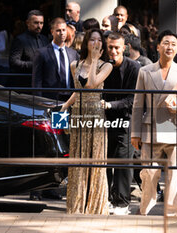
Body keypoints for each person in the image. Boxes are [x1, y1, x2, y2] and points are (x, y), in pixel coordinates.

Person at [131, 30, 177, 216]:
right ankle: (145, 210)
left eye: (173, 44)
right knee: (148, 174)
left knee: (176, 175)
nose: (170, 47)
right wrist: (134, 133)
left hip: (175, 127)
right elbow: (138, 104)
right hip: (150, 128)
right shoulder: (144, 71)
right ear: (158, 46)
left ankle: (174, 213)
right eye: (166, 43)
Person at [60, 28, 113, 215]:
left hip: (95, 113)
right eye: (92, 40)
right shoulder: (75, 64)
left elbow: (91, 84)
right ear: (86, 43)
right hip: (78, 113)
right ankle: (76, 204)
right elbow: (78, 90)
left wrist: (95, 61)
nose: (96, 43)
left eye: (99, 40)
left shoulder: (106, 65)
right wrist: (65, 106)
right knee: (77, 156)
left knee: (95, 158)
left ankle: (95, 206)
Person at [102, 32, 140, 215]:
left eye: (117, 47)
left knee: (123, 162)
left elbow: (132, 99)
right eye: (110, 47)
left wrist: (110, 104)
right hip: (103, 120)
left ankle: (123, 202)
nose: (113, 51)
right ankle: (106, 198)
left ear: (124, 48)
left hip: (125, 119)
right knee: (105, 161)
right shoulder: (102, 66)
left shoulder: (134, 67)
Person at [32, 17, 79, 100]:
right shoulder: (42, 53)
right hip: (50, 98)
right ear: (52, 32)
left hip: (70, 98)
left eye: (64, 30)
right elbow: (37, 80)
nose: (62, 33)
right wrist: (38, 100)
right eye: (58, 30)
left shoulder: (73, 53)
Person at [9, 10, 49, 87]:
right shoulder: (20, 40)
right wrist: (34, 65)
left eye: (41, 23)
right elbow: (14, 62)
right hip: (25, 84)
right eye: (36, 23)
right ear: (27, 23)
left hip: (42, 84)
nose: (39, 26)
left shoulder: (45, 40)